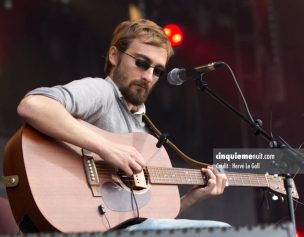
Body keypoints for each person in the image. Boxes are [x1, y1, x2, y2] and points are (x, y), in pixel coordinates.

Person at [17, 19, 229, 231]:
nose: (148, 77)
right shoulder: (102, 92)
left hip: (110, 226)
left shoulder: (145, 132)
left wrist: (191, 199)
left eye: (157, 71)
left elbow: (141, 219)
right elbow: (33, 105)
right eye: (141, 63)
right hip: (83, 223)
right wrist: (107, 149)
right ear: (114, 55)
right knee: (220, 231)